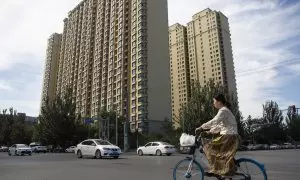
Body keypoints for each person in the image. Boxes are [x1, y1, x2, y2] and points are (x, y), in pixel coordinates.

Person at [195, 94, 239, 178]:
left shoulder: (223, 110)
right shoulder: (225, 111)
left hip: (228, 136)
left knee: (208, 147)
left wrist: (201, 127)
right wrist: (208, 132)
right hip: (230, 135)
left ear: (219, 102)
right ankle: (222, 169)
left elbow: (215, 121)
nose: (213, 103)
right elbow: (219, 127)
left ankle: (215, 170)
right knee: (218, 152)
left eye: (214, 101)